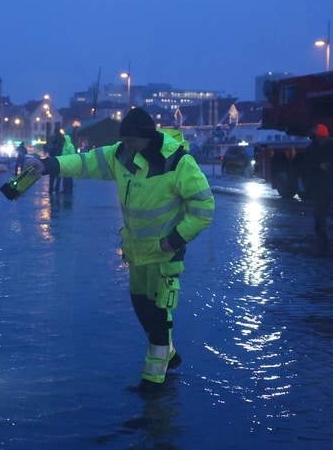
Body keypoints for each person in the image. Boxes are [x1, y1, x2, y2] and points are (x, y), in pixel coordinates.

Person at [24, 107, 214, 389]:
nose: (127, 146)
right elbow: (86, 162)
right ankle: (169, 355)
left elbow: (204, 207)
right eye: (124, 141)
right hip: (137, 253)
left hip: (164, 254)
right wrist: (47, 165)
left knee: (159, 314)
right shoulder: (122, 155)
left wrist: (174, 240)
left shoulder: (178, 162)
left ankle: (153, 382)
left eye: (132, 141)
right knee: (141, 307)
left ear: (147, 137)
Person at [302, 123, 333, 244]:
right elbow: (307, 164)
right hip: (317, 181)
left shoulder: (329, 145)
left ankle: (320, 225)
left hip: (328, 181)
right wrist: (319, 166)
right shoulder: (313, 148)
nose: (323, 140)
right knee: (320, 204)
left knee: (324, 205)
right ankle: (319, 227)